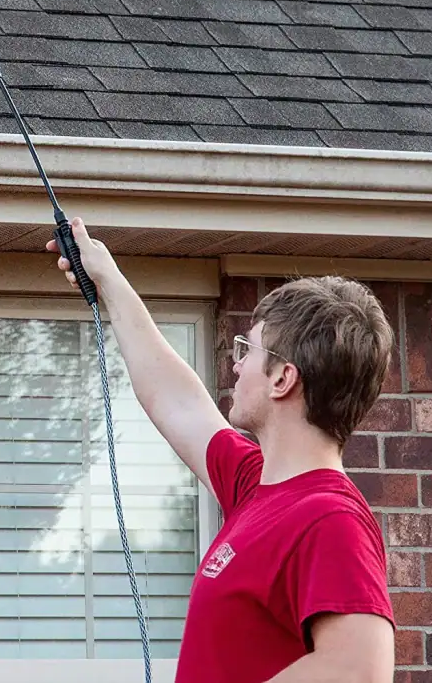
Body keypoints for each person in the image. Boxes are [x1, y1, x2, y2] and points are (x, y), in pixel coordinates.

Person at [47, 217, 396, 683]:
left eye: (247, 351)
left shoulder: (330, 520)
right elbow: (177, 400)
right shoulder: (256, 485)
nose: (236, 366)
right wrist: (107, 278)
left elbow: (359, 671)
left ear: (282, 378)